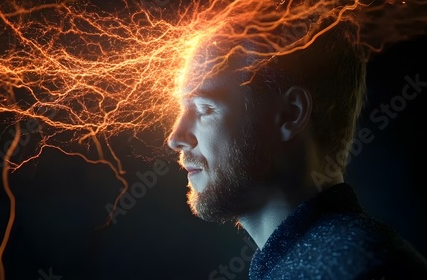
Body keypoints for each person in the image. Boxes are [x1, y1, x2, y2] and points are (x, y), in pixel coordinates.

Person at [166, 8, 427, 280]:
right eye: (181, 110)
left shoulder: (357, 270)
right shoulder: (320, 262)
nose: (175, 138)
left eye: (204, 109)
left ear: (290, 114)